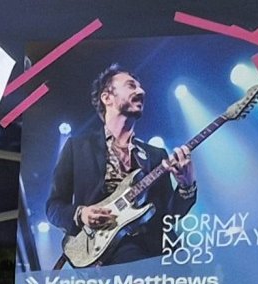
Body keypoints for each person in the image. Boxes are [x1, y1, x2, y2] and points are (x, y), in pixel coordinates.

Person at [44, 64, 197, 267]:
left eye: (140, 87)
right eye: (131, 85)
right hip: (108, 254)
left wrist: (186, 186)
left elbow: (170, 215)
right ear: (107, 97)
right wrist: (82, 214)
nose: (141, 91)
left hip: (161, 252)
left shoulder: (155, 154)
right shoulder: (78, 147)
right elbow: (54, 206)